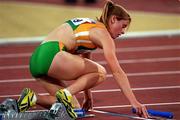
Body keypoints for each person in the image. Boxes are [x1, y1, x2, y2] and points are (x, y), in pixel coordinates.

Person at [17, 0, 149, 119]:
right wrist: (134, 102)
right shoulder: (103, 34)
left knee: (73, 107)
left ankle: (32, 98)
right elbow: (117, 72)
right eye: (123, 25)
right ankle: (66, 93)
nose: (123, 31)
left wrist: (87, 95)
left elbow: (85, 57)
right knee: (101, 72)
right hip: (52, 53)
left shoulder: (91, 26)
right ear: (113, 19)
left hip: (37, 58)